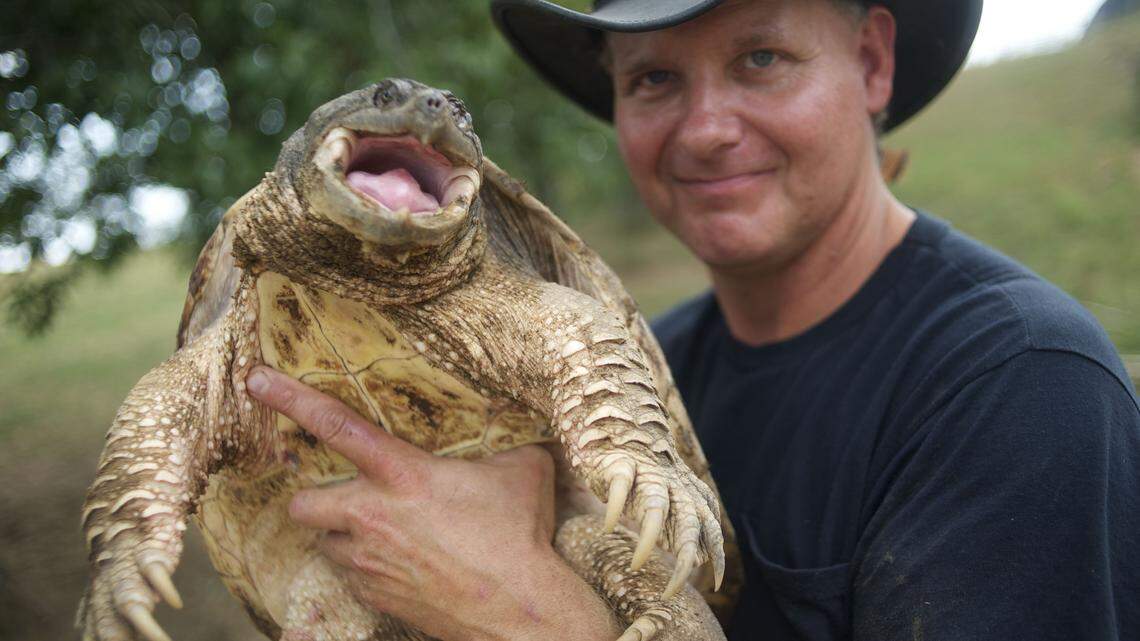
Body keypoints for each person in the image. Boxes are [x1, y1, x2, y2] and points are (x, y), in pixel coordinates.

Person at [245, 0, 1140, 639]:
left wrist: (529, 617)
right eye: (656, 78)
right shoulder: (628, 372)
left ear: (871, 62)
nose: (706, 128)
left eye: (761, 58)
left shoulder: (1020, 386)